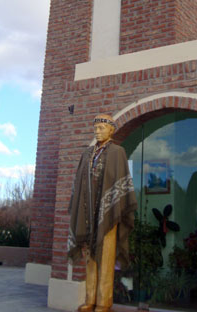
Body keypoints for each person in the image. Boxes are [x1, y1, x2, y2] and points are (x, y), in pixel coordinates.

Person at [68, 114, 137, 312]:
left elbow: (121, 180)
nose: (97, 131)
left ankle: (104, 302)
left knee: (106, 257)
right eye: (96, 128)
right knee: (90, 256)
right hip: (88, 212)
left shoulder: (118, 152)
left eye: (101, 128)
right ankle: (90, 299)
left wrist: (113, 206)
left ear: (111, 130)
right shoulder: (87, 154)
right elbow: (79, 182)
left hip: (108, 213)